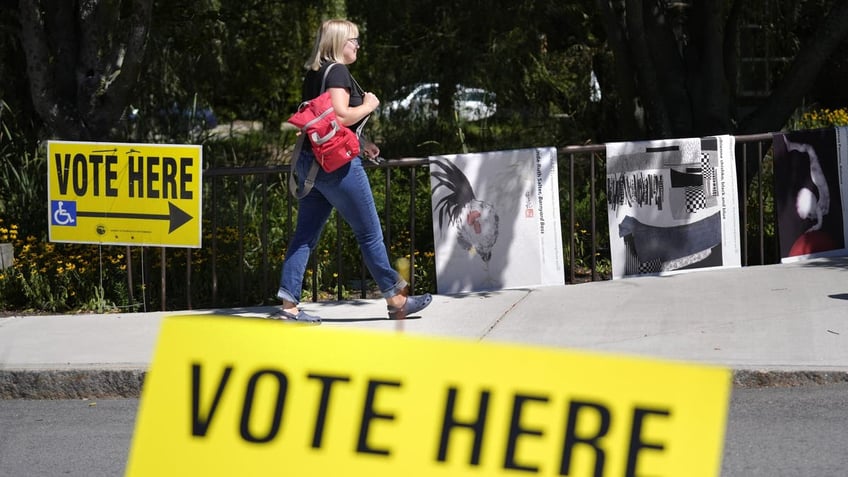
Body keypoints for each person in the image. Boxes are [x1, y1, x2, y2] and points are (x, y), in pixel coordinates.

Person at [273, 19, 432, 324]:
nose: (358, 45)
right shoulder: (339, 72)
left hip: (312, 163)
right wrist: (370, 104)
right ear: (339, 41)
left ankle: (289, 306)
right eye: (354, 40)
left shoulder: (315, 72)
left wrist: (364, 142)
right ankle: (396, 299)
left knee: (304, 236)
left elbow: (325, 121)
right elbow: (342, 116)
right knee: (369, 233)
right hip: (337, 167)